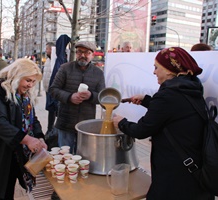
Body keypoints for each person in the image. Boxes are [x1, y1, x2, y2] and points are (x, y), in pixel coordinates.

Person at [112, 47, 214, 200]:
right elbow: (174, 113)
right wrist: (147, 101)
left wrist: (121, 123)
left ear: (169, 70)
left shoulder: (168, 95)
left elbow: (141, 130)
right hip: (193, 167)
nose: (154, 72)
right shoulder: (191, 88)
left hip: (174, 172)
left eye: (156, 67)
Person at [0, 58, 47, 199]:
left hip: (14, 151)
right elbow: (0, 124)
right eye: (28, 80)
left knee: (8, 189)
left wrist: (39, 137)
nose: (31, 85)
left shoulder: (24, 93)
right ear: (17, 76)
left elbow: (33, 119)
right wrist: (28, 140)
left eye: (33, 81)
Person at [49, 41, 105, 154]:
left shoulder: (98, 73)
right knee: (65, 158)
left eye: (87, 53)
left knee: (84, 158)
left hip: (86, 125)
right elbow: (53, 90)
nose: (83, 55)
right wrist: (70, 97)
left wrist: (91, 96)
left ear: (92, 55)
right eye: (79, 52)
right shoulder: (65, 68)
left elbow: (102, 97)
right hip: (66, 122)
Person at [42, 42, 56, 135]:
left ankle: (51, 129)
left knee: (53, 110)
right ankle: (50, 128)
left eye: (47, 49)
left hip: (53, 90)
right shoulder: (47, 60)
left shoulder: (55, 61)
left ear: (52, 49)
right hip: (48, 90)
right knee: (50, 110)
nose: (46, 50)